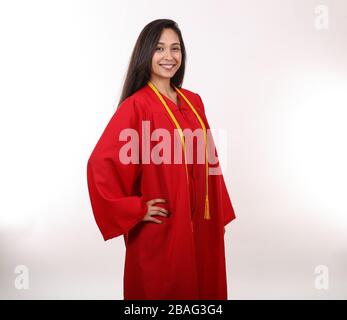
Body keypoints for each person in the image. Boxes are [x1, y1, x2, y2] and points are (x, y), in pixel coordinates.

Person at [87, 19, 236, 300]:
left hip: (200, 224)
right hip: (163, 227)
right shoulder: (137, 106)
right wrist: (135, 209)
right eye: (160, 48)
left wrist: (217, 212)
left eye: (175, 48)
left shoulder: (194, 101)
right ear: (146, 53)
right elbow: (100, 164)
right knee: (162, 289)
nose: (169, 57)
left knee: (203, 290)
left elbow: (210, 159)